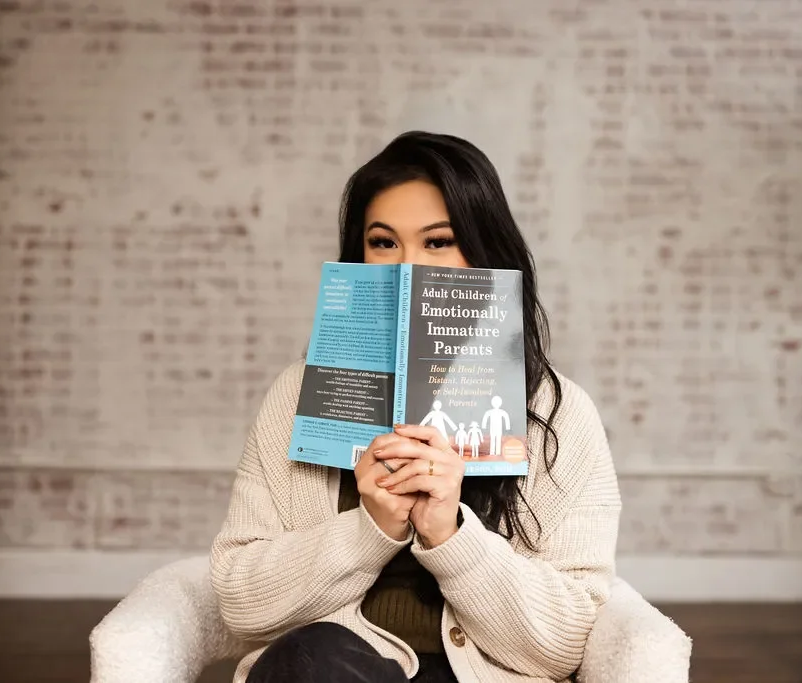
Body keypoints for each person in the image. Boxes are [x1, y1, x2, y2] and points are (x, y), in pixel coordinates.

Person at [209, 131, 622, 683]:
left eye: (438, 242)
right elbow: (240, 605)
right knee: (313, 656)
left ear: (485, 251)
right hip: (331, 671)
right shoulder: (295, 396)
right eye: (383, 243)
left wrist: (448, 534)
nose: (408, 268)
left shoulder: (559, 413)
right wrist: (370, 527)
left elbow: (564, 645)